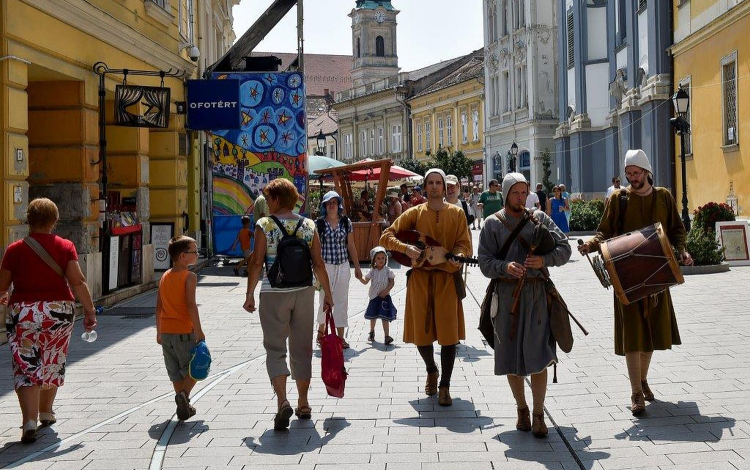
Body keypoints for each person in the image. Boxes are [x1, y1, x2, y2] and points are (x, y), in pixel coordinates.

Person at [579, 149, 693, 416]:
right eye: (629, 174)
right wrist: (590, 245)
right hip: (627, 277)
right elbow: (604, 232)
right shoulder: (619, 199)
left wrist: (682, 251)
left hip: (657, 276)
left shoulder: (663, 196)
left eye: (636, 173)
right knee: (633, 336)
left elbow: (677, 230)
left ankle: (642, 378)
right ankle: (635, 393)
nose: (632, 178)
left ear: (646, 172)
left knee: (650, 334)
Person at [478, 173, 571, 438]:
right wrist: (504, 267)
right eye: (515, 193)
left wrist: (545, 260)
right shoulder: (491, 224)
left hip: (538, 296)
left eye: (523, 193)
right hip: (507, 297)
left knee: (540, 355)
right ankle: (521, 408)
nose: (520, 198)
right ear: (505, 194)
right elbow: (484, 262)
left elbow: (565, 248)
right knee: (510, 355)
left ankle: (539, 413)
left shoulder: (539, 219)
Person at [0, 198, 97, 443]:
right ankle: (46, 411)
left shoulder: (15, 249)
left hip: (24, 313)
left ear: (28, 220)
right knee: (52, 358)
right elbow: (77, 281)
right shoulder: (65, 246)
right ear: (55, 221)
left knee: (26, 365)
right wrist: (89, 310)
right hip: (58, 312)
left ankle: (29, 421)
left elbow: (2, 285)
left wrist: (5, 295)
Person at [244, 178, 333, 430]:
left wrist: (250, 293)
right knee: (302, 348)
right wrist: (327, 294)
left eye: (268, 198)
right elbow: (318, 264)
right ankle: (303, 402)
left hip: (274, 293)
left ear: (276, 199)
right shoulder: (308, 225)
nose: (266, 203)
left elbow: (257, 262)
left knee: (275, 349)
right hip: (304, 291)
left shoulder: (265, 224)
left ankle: (283, 401)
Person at [380, 169, 472, 407]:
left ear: (444, 187)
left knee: (449, 335)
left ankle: (445, 386)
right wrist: (406, 249)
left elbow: (465, 244)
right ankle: (432, 369)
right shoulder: (414, 213)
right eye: (429, 183)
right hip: (420, 278)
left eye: (438, 183)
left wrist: (459, 255)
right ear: (425, 186)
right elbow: (386, 237)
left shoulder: (457, 214)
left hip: (446, 279)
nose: (434, 187)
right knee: (421, 334)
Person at [156, 235, 205, 421]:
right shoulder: (189, 276)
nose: (198, 253)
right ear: (183, 256)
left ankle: (184, 402)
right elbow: (191, 304)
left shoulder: (165, 276)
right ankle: (183, 395)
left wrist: (158, 330)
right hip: (184, 330)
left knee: (175, 370)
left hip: (167, 331)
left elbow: (158, 307)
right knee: (195, 368)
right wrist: (199, 330)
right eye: (195, 251)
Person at [314, 191, 362, 349]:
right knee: (324, 299)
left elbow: (351, 245)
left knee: (341, 300)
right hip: (325, 266)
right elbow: (315, 248)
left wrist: (357, 267)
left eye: (334, 202)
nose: (331, 205)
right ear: (324, 206)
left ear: (339, 204)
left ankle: (340, 337)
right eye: (328, 203)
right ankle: (321, 333)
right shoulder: (319, 223)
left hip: (343, 265)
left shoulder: (346, 222)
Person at [359, 246, 396, 345]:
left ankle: (387, 336)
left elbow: (392, 283)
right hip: (374, 297)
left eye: (383, 258)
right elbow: (365, 281)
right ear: (374, 259)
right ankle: (371, 332)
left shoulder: (388, 270)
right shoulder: (372, 271)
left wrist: (386, 291)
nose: (381, 260)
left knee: (385, 317)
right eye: (378, 258)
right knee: (373, 316)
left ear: (386, 259)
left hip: (385, 297)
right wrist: (359, 277)